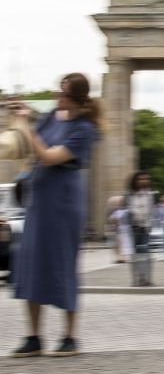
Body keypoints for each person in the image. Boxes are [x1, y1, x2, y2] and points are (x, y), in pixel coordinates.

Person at [9, 73, 100, 357]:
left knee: (62, 264)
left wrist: (26, 125)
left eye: (61, 93)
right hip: (40, 200)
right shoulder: (50, 117)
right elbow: (31, 147)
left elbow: (48, 156)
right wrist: (24, 116)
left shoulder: (85, 129)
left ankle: (70, 336)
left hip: (63, 204)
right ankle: (33, 336)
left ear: (75, 99)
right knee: (31, 263)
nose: (56, 97)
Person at [125, 171, 157, 287]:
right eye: (140, 179)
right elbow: (130, 209)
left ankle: (147, 278)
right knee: (135, 254)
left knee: (146, 253)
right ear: (135, 181)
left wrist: (150, 225)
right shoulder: (130, 194)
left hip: (145, 228)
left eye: (146, 179)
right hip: (134, 228)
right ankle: (136, 279)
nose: (143, 181)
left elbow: (151, 211)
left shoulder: (150, 194)